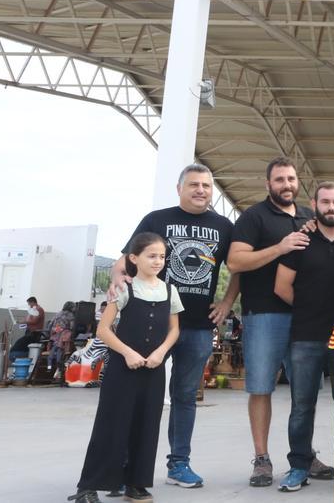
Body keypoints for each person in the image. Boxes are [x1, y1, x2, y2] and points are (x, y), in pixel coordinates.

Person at [110, 163, 235, 488]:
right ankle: (127, 468)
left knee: (184, 396)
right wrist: (117, 282)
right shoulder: (156, 220)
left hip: (197, 326)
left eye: (207, 186)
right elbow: (124, 261)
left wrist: (226, 303)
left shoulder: (223, 226)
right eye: (193, 184)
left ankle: (179, 464)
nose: (201, 190)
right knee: (140, 395)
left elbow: (238, 269)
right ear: (179, 188)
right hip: (152, 324)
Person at [225, 156, 326, 486]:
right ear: (268, 184)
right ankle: (262, 458)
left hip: (304, 317)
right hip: (264, 314)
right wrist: (280, 247)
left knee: (305, 391)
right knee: (261, 387)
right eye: (280, 179)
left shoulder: (310, 217)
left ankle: (304, 455)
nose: (287, 185)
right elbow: (236, 261)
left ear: (299, 183)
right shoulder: (253, 218)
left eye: (291, 179)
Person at [68, 232, 183, 503]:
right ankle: (89, 486)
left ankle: (136, 483)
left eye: (162, 257)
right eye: (151, 256)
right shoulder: (124, 289)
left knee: (147, 425)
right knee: (112, 423)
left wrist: (160, 353)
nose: (158, 261)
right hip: (123, 368)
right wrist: (128, 353)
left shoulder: (170, 290)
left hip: (154, 369)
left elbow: (174, 329)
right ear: (134, 258)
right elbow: (103, 329)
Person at [273, 181, 334, 492]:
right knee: (301, 405)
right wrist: (310, 308)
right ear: (315, 204)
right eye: (325, 202)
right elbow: (282, 287)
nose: (331, 207)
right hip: (306, 335)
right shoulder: (301, 240)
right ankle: (298, 466)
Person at [49, 301, 76, 373]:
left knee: (56, 349)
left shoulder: (58, 313)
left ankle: (51, 367)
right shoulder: (70, 315)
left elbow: (50, 324)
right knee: (62, 350)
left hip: (54, 336)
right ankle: (60, 368)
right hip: (63, 338)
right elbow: (72, 327)